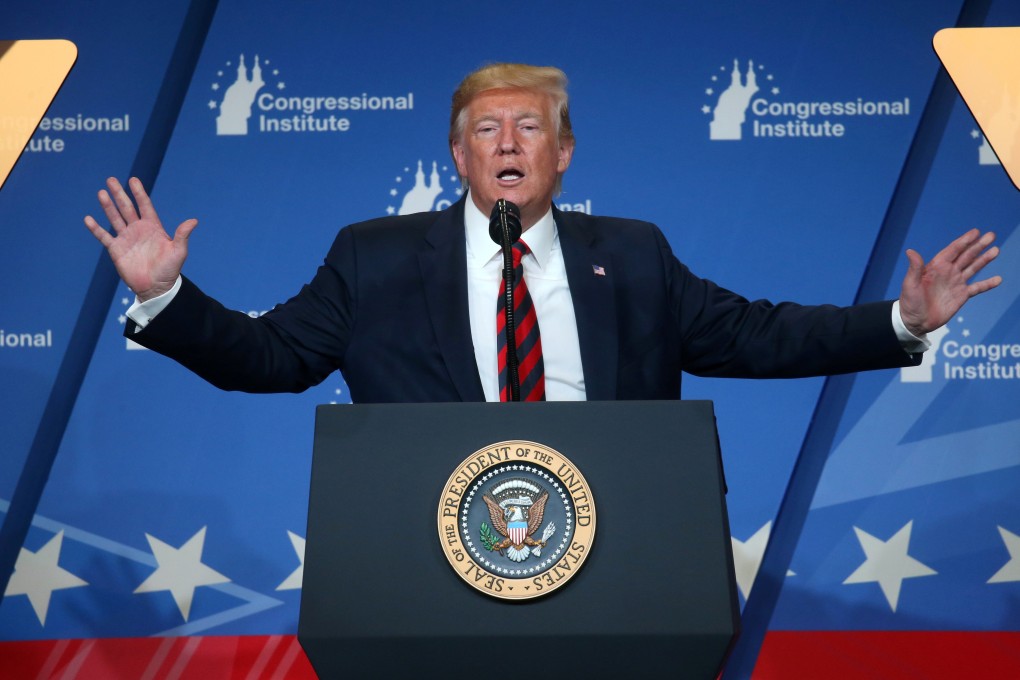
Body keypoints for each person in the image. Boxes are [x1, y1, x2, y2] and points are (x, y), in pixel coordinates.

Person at [84, 64, 1002, 403]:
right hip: (428, 546)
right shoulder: (375, 256)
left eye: (529, 128)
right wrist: (165, 295)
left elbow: (756, 337)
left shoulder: (631, 253)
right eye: (486, 129)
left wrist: (903, 322)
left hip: (619, 541)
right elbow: (273, 357)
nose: (507, 143)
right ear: (458, 155)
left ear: (563, 154)